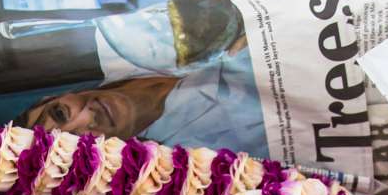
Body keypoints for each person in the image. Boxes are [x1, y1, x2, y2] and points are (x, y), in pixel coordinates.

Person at [16, 47, 266, 155]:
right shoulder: (199, 148)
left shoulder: (122, 43)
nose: (88, 117)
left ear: (55, 96)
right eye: (80, 142)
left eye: (60, 113)